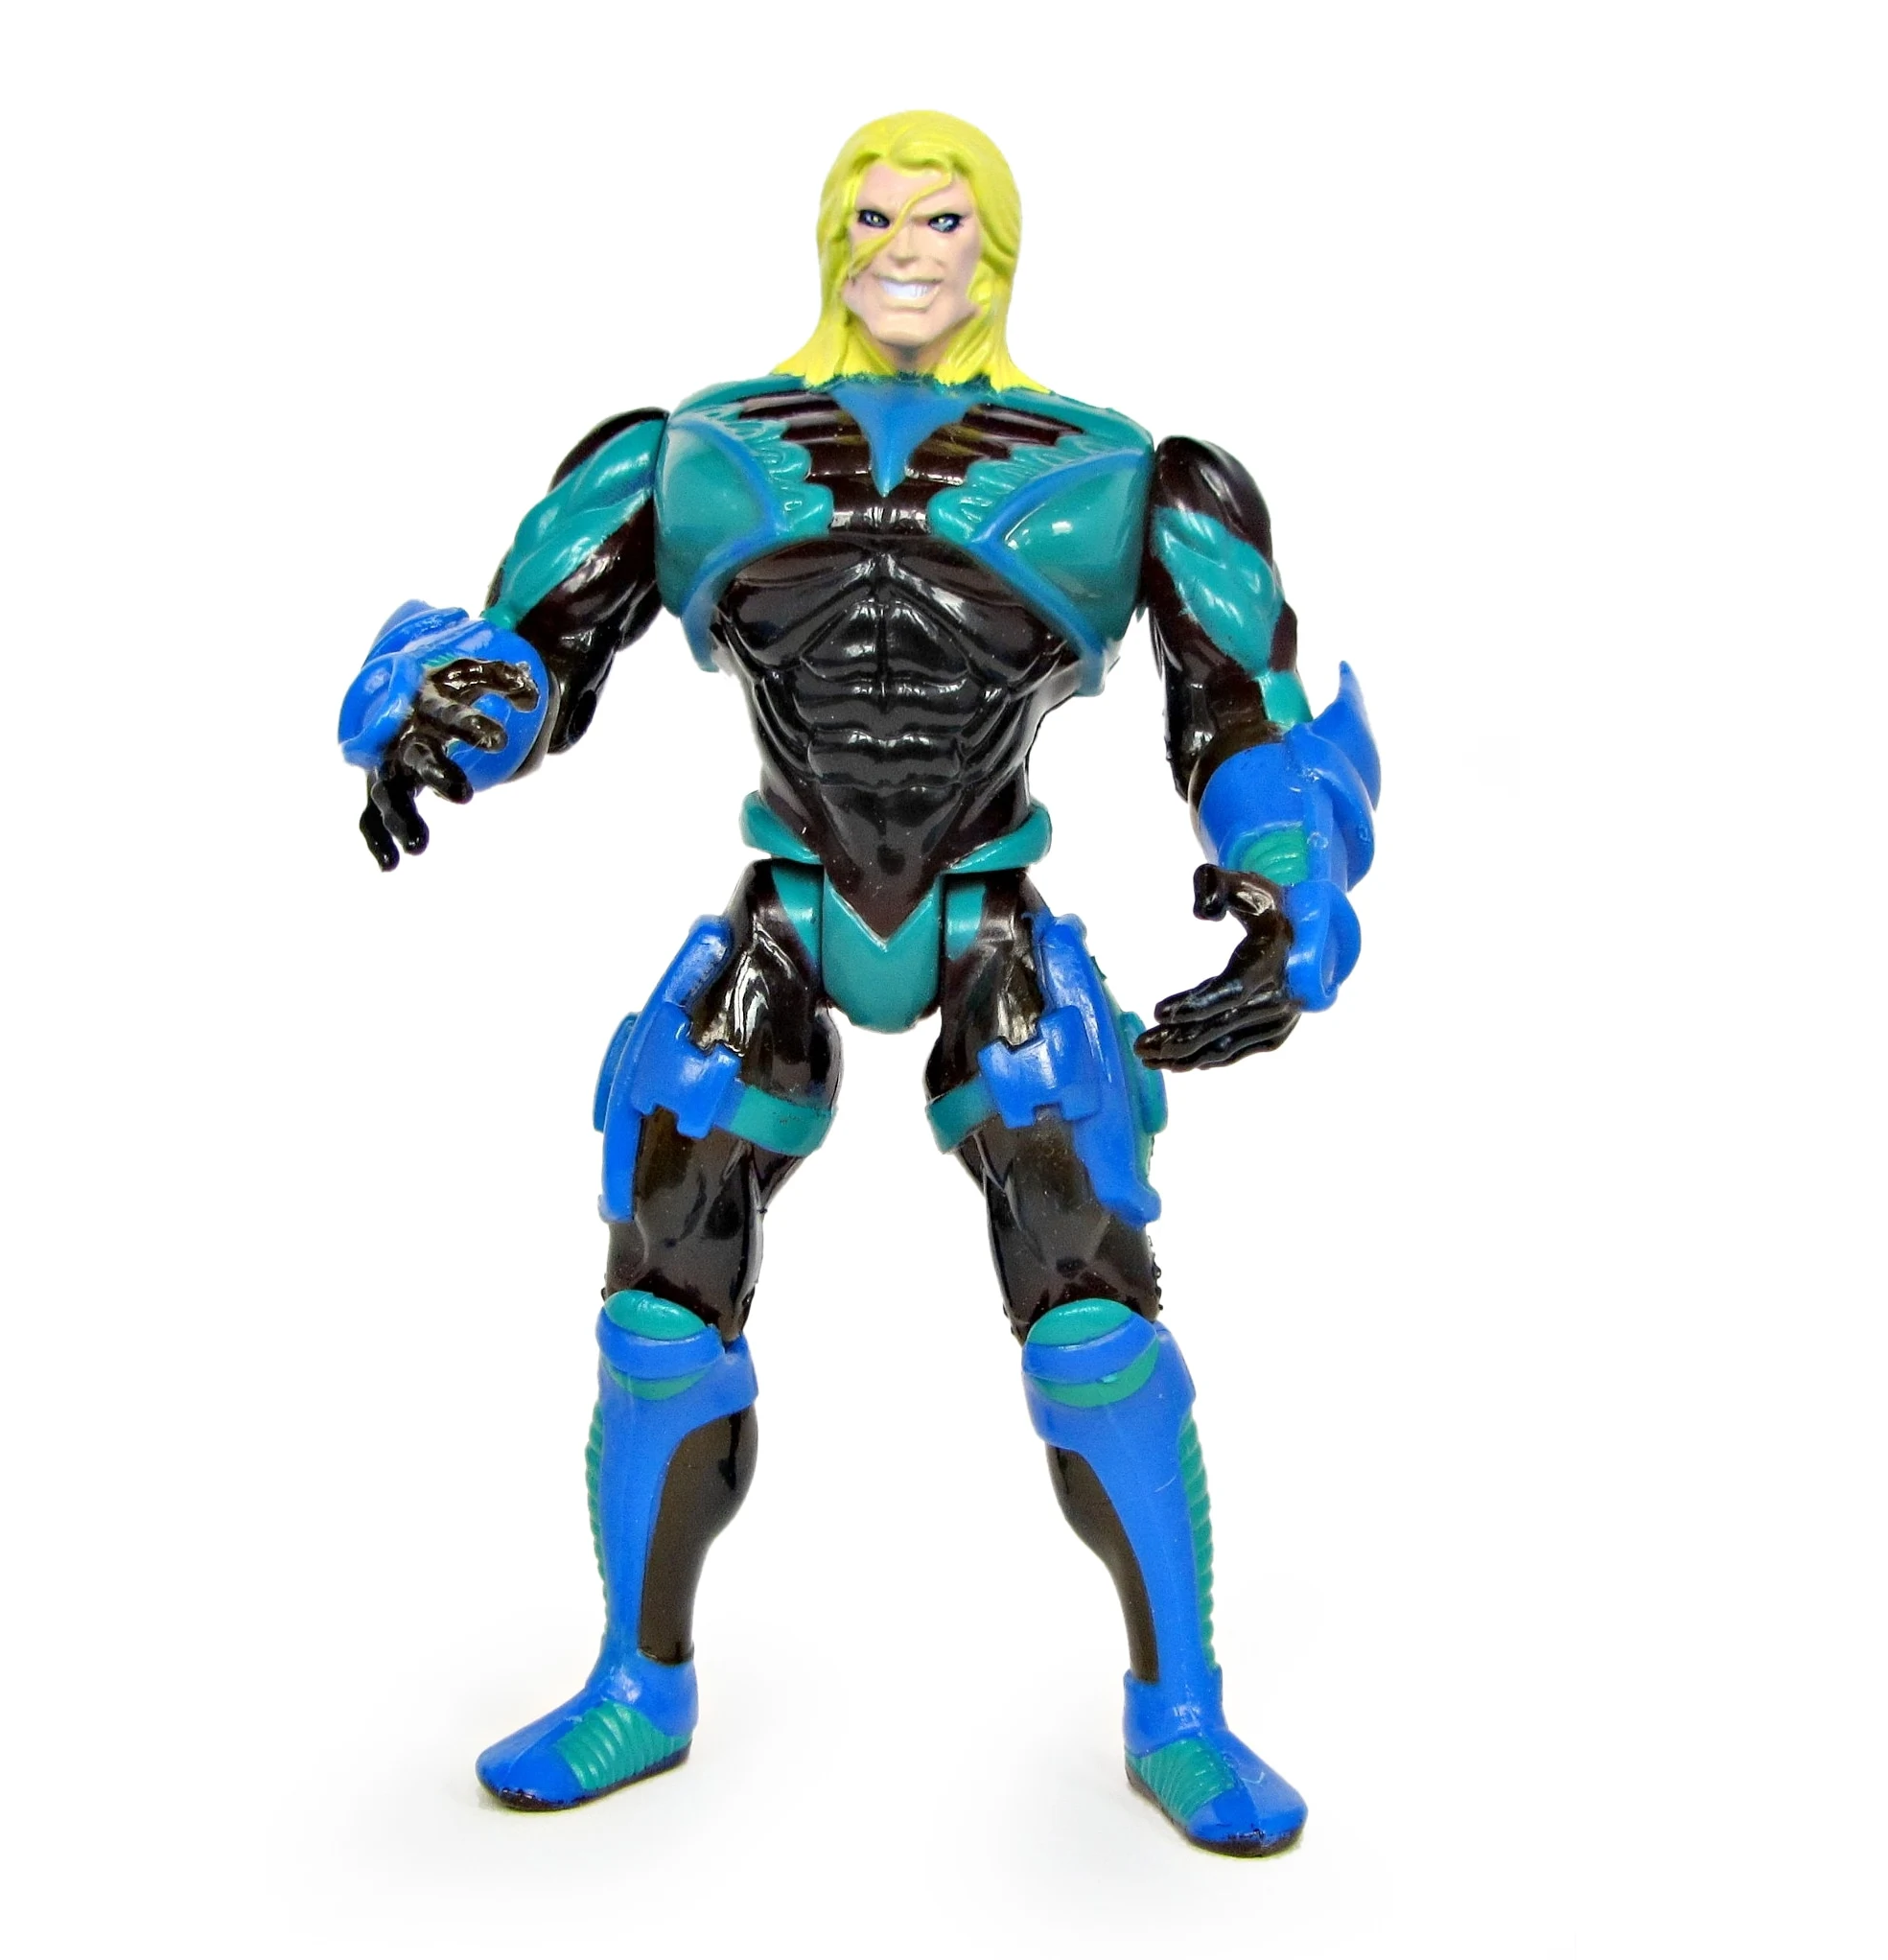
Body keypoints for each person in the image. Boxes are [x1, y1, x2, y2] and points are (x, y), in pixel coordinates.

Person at [336, 109, 1378, 1856]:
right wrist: (444, 716)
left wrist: (1286, 890)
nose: (906, 248)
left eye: (942, 218)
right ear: (832, 235)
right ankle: (639, 1680)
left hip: (984, 911)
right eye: (875, 214)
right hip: (792, 902)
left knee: (1094, 1323)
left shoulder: (1116, 474)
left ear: (998, 246)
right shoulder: (699, 453)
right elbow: (539, 657)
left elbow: (1242, 713)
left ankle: (1181, 1710)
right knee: (657, 1307)